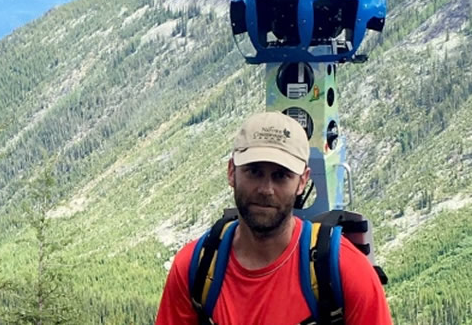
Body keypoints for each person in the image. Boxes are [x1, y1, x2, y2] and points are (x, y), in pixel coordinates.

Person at [155, 111, 392, 325]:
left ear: (302, 181)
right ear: (231, 172)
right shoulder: (194, 268)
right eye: (254, 171)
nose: (266, 189)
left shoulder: (348, 272)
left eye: (281, 175)